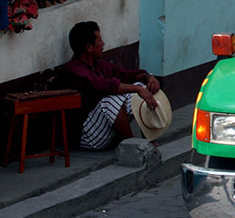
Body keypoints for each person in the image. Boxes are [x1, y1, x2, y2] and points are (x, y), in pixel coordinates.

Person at [60, 21, 167, 150]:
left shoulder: (99, 64)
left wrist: (147, 77)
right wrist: (137, 89)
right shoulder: (74, 70)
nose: (103, 44)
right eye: (100, 40)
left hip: (107, 131)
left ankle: (148, 138)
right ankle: (133, 145)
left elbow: (126, 74)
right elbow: (103, 86)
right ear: (89, 47)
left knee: (140, 88)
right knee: (110, 100)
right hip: (87, 136)